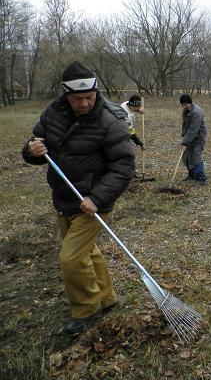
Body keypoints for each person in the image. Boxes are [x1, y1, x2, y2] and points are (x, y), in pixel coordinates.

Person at [21, 61, 135, 334]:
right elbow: (37, 147)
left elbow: (124, 167)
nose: (84, 103)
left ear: (96, 91)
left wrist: (96, 198)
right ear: (65, 95)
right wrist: (31, 150)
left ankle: (87, 310)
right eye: (77, 98)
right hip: (64, 197)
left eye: (89, 97)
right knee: (87, 252)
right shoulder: (53, 113)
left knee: (71, 259)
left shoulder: (111, 119)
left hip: (94, 203)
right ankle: (107, 299)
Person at [180, 93, 207, 184]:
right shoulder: (186, 110)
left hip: (198, 137)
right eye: (182, 105)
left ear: (190, 103)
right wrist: (184, 136)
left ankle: (201, 178)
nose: (184, 107)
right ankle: (192, 175)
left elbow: (193, 129)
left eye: (185, 105)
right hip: (189, 137)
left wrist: (185, 142)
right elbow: (185, 125)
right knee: (187, 156)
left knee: (196, 156)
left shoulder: (197, 112)